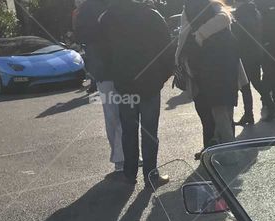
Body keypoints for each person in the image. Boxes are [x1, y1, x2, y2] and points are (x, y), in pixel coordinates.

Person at [100, 0, 175, 188]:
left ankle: (129, 173)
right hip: (150, 82)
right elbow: (167, 49)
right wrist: (162, 77)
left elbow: (104, 53)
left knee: (128, 130)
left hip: (124, 84)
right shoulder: (151, 15)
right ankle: (151, 175)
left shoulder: (109, 17)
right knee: (150, 131)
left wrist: (115, 76)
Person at [178, 0, 242, 151]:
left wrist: (200, 35)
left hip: (209, 69)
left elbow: (224, 18)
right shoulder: (205, 6)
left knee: (216, 112)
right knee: (220, 111)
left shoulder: (208, 5)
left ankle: (224, 152)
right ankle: (215, 149)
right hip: (215, 68)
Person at [75, 0, 123, 170]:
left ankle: (121, 157)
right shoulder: (93, 9)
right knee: (118, 115)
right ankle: (121, 158)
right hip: (111, 69)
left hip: (107, 70)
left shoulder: (86, 10)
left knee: (114, 115)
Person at [232, 0, 275, 125]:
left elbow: (238, 35)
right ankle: (269, 108)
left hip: (245, 54)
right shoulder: (254, 12)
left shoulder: (242, 14)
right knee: (256, 82)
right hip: (256, 52)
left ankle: (250, 114)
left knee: (246, 86)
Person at [255, 0, 275, 109]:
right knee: (268, 72)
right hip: (267, 43)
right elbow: (259, 23)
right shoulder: (259, 4)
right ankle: (266, 99)